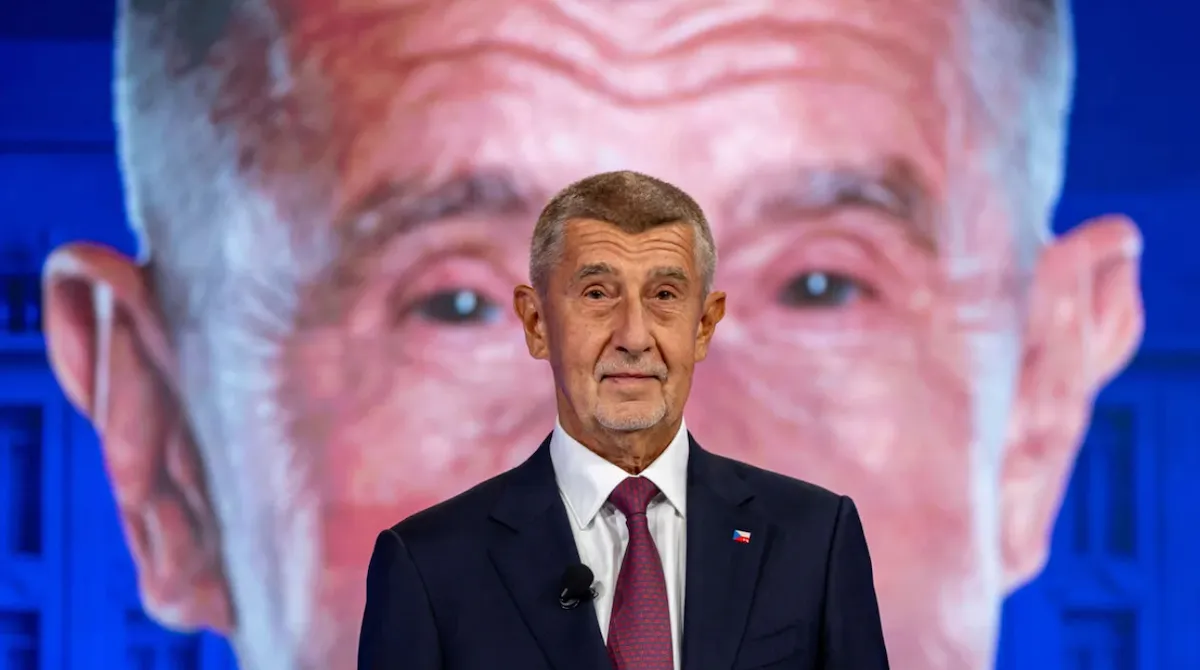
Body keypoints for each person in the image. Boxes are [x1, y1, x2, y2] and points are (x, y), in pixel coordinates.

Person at [40, 0, 1143, 668]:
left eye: (819, 288)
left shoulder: (820, 544)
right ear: (165, 447)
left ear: (1039, 410)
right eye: (455, 304)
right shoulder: (425, 566)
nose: (642, 358)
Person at [357, 170, 889, 670]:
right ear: (537, 323)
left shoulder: (814, 538)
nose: (634, 336)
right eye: (597, 294)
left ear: (704, 326)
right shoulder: (429, 566)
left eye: (664, 296)